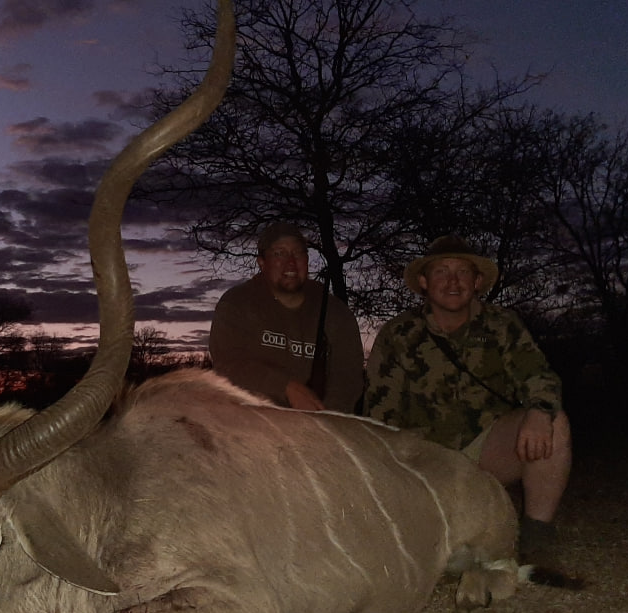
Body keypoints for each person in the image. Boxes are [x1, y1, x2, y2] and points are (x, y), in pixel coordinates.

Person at [364, 235, 571, 564]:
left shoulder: (503, 325)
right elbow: (379, 415)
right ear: (424, 282)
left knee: (554, 422)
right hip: (424, 460)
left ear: (476, 282)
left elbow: (540, 377)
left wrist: (538, 412)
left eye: (463, 272)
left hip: (486, 452)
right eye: (442, 271)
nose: (452, 281)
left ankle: (536, 539)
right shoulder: (398, 334)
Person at [209, 222, 364, 412]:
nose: (290, 262)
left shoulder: (336, 312)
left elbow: (348, 377)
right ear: (262, 263)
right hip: (250, 419)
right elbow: (228, 366)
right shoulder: (236, 303)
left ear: (307, 260)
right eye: (279, 253)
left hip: (318, 424)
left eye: (298, 253)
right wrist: (286, 388)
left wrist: (327, 419)